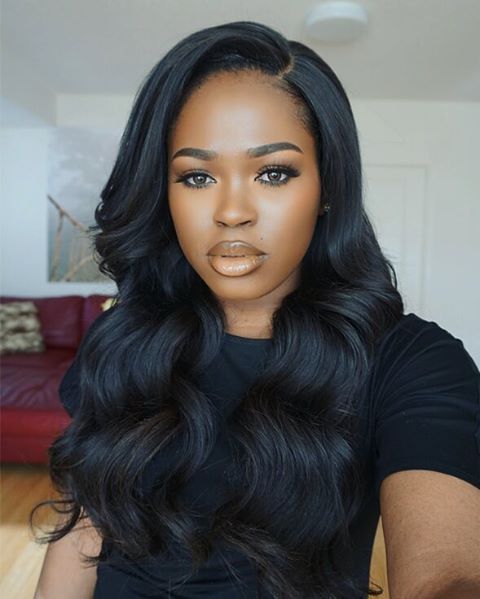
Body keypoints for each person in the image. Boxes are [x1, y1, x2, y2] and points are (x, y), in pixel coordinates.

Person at [32, 20, 480, 599]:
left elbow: (452, 574)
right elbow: (84, 531)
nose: (231, 212)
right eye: (197, 176)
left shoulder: (413, 363)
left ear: (327, 188)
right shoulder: (123, 337)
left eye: (273, 173)